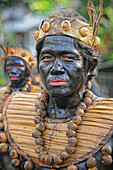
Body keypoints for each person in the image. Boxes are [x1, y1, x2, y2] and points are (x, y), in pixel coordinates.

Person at [1, 1, 113, 170]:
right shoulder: (11, 115)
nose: (56, 68)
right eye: (47, 58)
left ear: (90, 66)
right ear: (38, 66)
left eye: (68, 58)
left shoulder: (109, 123)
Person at [0, 46, 41, 170]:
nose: (12, 71)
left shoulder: (38, 93)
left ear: (29, 68)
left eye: (18, 66)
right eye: (9, 66)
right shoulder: (1, 93)